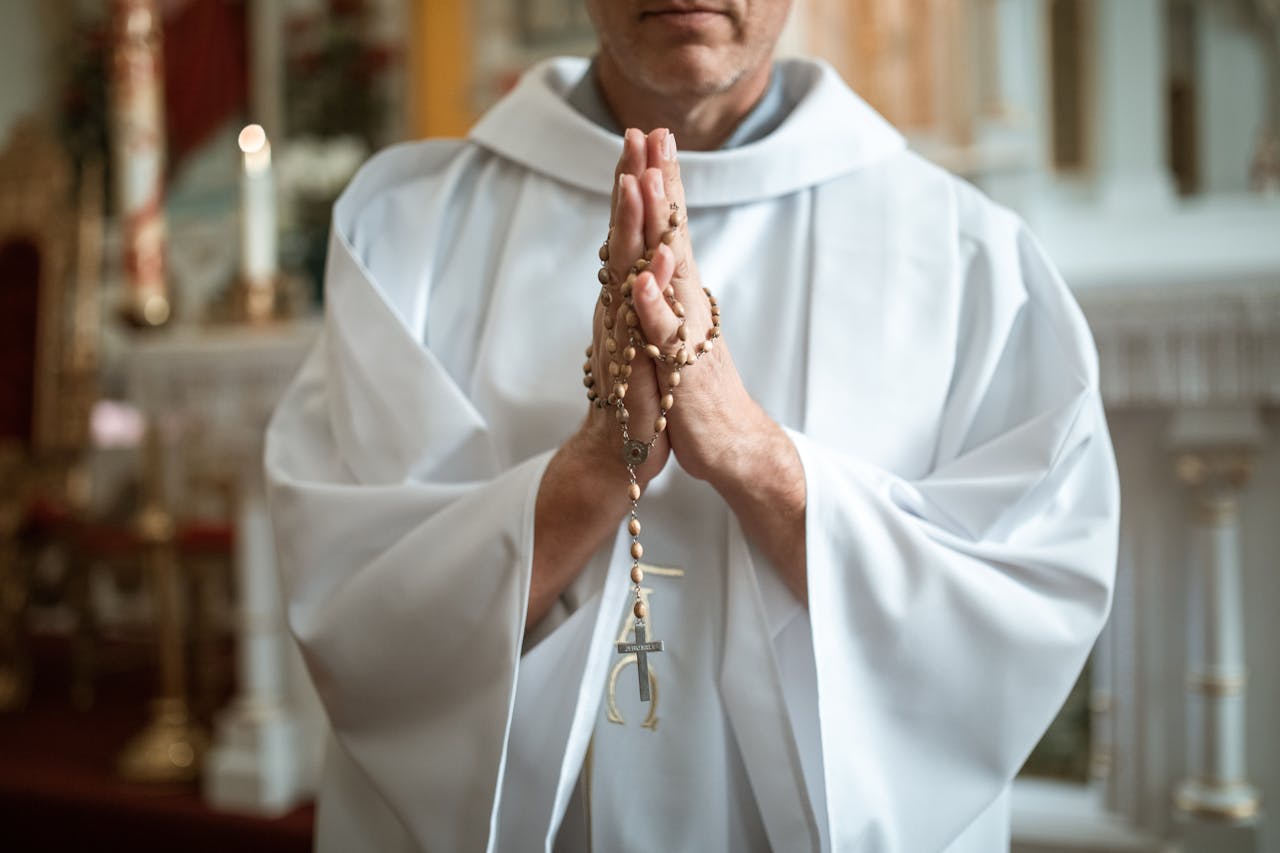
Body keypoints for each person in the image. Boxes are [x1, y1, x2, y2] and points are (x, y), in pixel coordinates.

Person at [265, 1, 1120, 851]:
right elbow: (358, 600)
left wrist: (754, 456)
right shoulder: (407, 233)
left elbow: (1014, 605)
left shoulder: (968, 253)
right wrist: (599, 467)